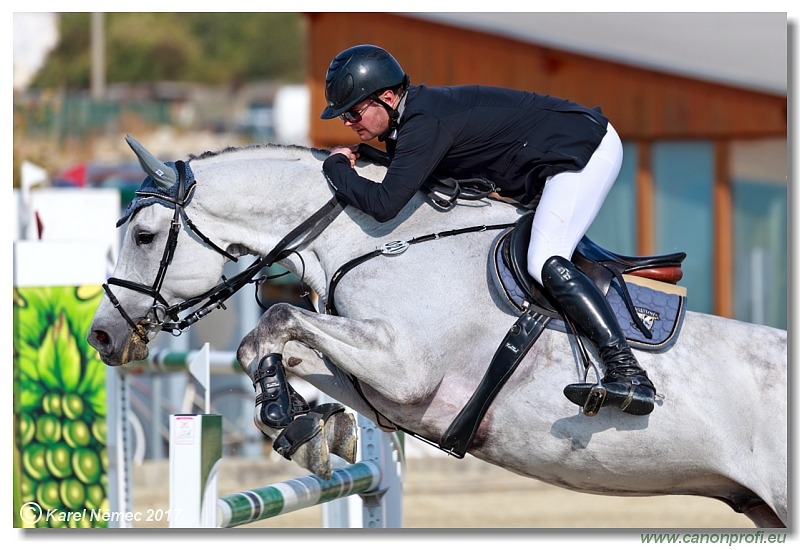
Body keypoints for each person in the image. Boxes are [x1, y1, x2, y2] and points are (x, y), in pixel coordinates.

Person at [320, 44, 656, 416]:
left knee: (544, 258)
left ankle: (628, 373)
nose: (348, 123)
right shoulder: (413, 119)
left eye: (353, 112)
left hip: (583, 149)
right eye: (342, 117)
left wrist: (335, 169)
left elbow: (384, 205)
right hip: (554, 157)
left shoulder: (423, 122)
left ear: (385, 97)